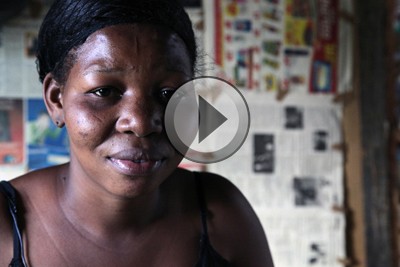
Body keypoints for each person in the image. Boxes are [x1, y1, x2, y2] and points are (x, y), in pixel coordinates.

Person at [0, 0, 275, 266]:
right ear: (57, 99)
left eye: (168, 93)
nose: (141, 123)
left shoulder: (222, 214)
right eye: (104, 91)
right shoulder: (5, 227)